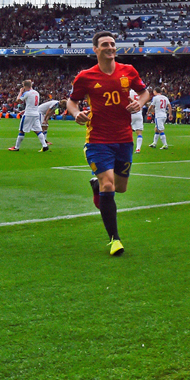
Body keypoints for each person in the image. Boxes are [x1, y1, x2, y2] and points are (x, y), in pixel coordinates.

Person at [66, 30, 151, 256]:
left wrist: (140, 103)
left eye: (112, 44)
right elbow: (71, 102)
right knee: (108, 185)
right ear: (95, 49)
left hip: (124, 139)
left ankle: (96, 186)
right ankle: (115, 239)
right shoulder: (85, 77)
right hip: (98, 140)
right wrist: (75, 113)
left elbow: (145, 93)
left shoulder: (128, 71)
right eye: (105, 44)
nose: (110, 47)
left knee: (120, 188)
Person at [8, 80, 48, 152]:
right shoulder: (36, 93)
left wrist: (20, 92)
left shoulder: (27, 93)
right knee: (38, 131)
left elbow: (18, 101)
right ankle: (45, 145)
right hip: (36, 114)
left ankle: (16, 147)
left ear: (25, 86)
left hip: (28, 114)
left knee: (21, 130)